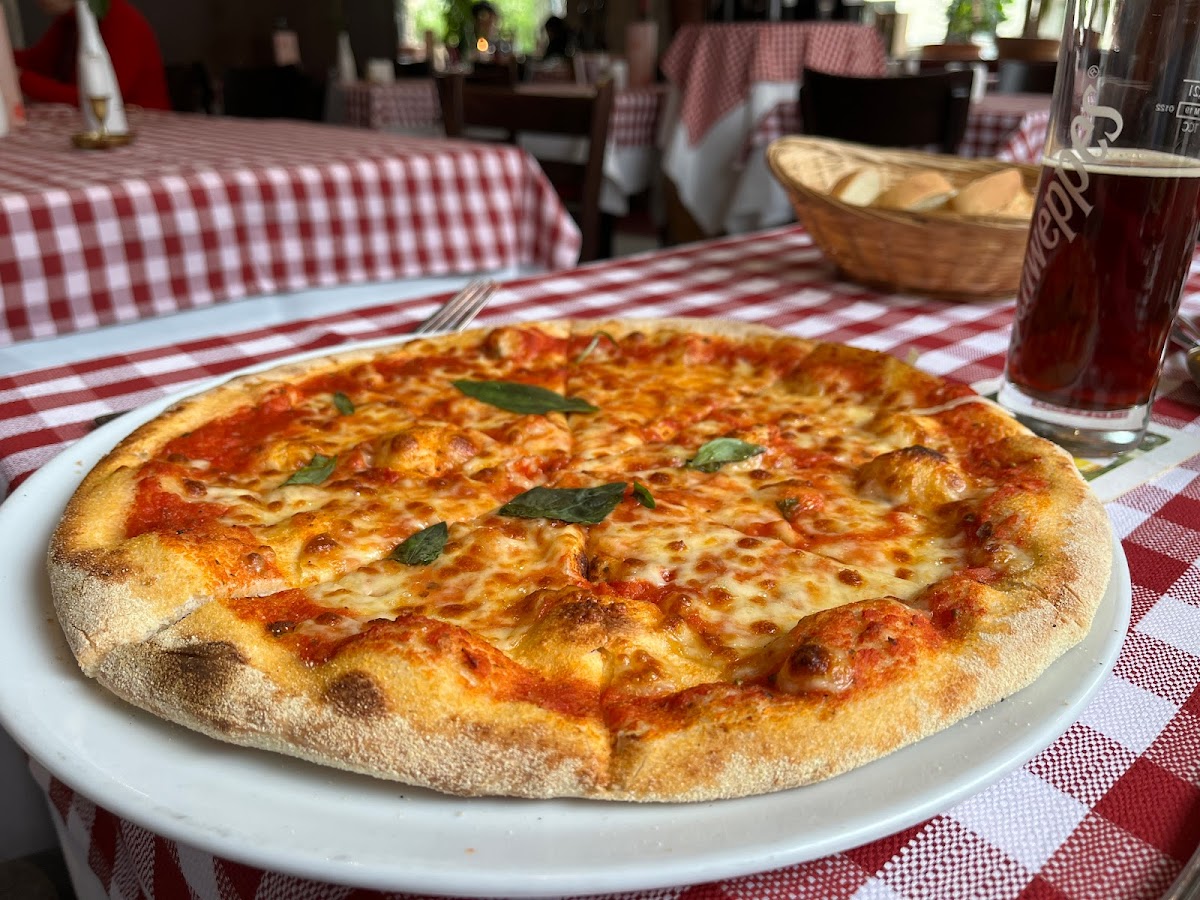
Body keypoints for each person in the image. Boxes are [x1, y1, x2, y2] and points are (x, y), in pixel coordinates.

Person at [14, 0, 170, 110]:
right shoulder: (69, 19)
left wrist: (20, 78)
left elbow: (99, 98)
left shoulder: (121, 20)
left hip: (144, 126)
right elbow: (36, 62)